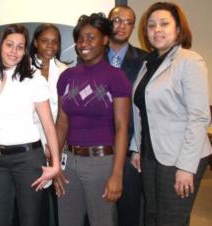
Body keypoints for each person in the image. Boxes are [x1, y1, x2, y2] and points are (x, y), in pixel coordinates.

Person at [130, 2, 212, 226]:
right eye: (151, 25)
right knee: (152, 215)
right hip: (150, 154)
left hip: (180, 155)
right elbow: (142, 110)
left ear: (178, 29)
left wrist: (186, 167)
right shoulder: (148, 64)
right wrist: (137, 147)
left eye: (164, 24)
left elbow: (199, 117)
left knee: (171, 220)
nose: (157, 29)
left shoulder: (189, 61)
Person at [54, 13, 131, 226]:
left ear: (105, 39)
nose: (83, 44)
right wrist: (54, 163)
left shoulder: (116, 77)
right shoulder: (67, 77)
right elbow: (61, 122)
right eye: (79, 39)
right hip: (68, 163)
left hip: (101, 164)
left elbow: (122, 127)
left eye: (90, 37)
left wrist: (117, 174)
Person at [0, 24, 60, 226]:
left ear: (25, 50)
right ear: (0, 46)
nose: (13, 51)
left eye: (19, 46)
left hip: (28, 160)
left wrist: (56, 164)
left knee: (30, 221)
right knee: (0, 221)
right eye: (9, 45)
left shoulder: (34, 78)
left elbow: (48, 124)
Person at [107, 5, 148, 226]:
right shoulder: (91, 55)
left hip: (131, 151)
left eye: (128, 22)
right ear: (108, 22)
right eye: (117, 20)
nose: (122, 25)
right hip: (96, 151)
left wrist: (138, 147)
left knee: (129, 214)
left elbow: (145, 109)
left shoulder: (146, 60)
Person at [29, 23, 70, 226]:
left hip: (59, 146)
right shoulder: (24, 69)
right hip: (31, 146)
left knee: (61, 200)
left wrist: (55, 147)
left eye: (55, 42)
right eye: (45, 40)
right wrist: (40, 143)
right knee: (36, 207)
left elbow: (65, 114)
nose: (50, 46)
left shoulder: (65, 71)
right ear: (35, 42)